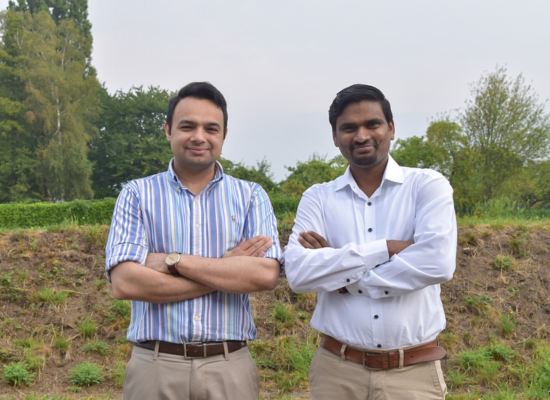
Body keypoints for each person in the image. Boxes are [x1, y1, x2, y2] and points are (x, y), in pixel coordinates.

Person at [105, 82, 283, 400]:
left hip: (230, 368)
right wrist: (227, 270)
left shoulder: (251, 197)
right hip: (155, 367)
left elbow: (265, 275)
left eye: (210, 128)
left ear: (224, 135)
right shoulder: (136, 194)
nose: (199, 136)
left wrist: (175, 261)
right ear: (168, 130)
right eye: (187, 126)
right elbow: (125, 283)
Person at [284, 84, 456, 400]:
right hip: (336, 372)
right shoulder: (318, 198)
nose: (361, 135)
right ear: (335, 137)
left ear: (390, 128)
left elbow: (437, 263)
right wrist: (387, 248)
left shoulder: (427, 186)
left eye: (372, 124)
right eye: (348, 128)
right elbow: (298, 275)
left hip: (412, 375)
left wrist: (341, 275)